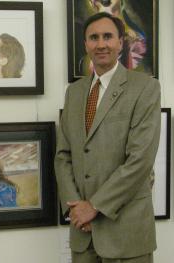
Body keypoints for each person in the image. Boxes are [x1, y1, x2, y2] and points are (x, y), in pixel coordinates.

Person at [55, 12, 160, 263]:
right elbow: (63, 155)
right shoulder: (74, 92)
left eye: (107, 37)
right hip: (83, 233)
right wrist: (76, 208)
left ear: (120, 42)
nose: (101, 44)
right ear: (86, 44)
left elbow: (140, 161)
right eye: (93, 38)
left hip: (126, 232)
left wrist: (95, 207)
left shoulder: (145, 88)